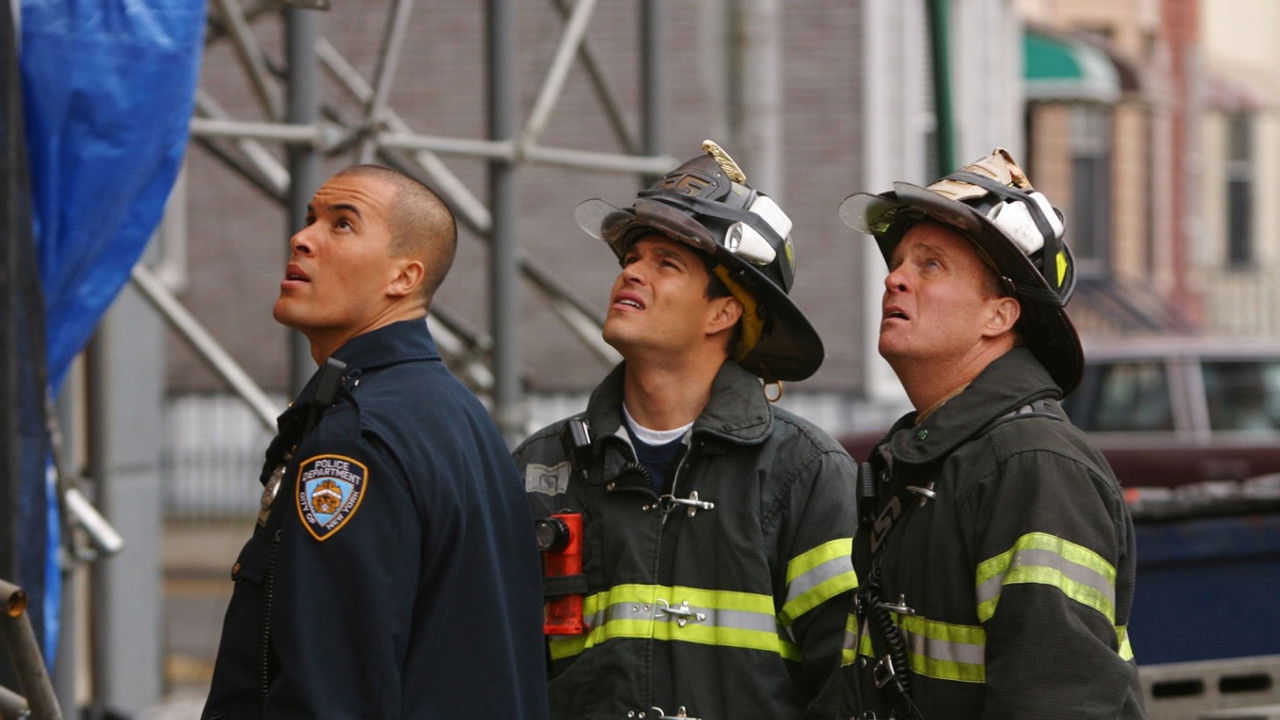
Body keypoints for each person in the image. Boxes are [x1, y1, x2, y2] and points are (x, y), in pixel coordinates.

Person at [513, 141, 860, 720]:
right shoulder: (542, 466)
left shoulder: (805, 474)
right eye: (632, 257)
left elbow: (844, 683)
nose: (631, 272)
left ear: (724, 312)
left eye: (666, 263)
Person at [201, 165, 549, 719]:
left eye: (342, 224)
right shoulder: (453, 412)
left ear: (404, 277)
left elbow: (332, 692)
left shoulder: (355, 440)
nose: (302, 238)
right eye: (310, 218)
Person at [835, 148, 1146, 719]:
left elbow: (1057, 702)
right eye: (899, 263)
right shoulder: (936, 457)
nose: (894, 278)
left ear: (999, 316)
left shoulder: (1035, 466)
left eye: (930, 265)